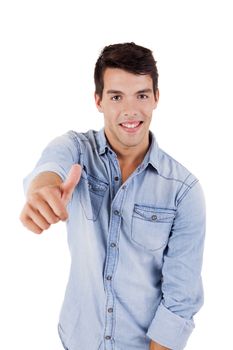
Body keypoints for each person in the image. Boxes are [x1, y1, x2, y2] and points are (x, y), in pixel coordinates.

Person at [20, 42, 206, 350]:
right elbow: (52, 165)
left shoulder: (184, 191)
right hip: (77, 339)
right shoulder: (77, 150)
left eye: (142, 95)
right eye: (116, 96)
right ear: (98, 101)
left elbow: (179, 301)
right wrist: (43, 190)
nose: (131, 110)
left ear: (156, 98)